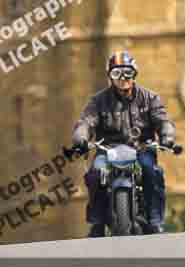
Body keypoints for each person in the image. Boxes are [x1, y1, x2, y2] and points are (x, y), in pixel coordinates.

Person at [72, 51, 176, 237]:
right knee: (95, 174)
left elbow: (162, 120)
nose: (123, 78)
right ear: (110, 76)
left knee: (152, 171)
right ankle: (97, 222)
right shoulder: (98, 101)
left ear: (134, 74)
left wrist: (167, 136)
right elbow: (86, 122)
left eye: (127, 73)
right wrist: (81, 138)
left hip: (141, 148)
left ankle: (155, 220)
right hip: (108, 150)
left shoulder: (150, 98)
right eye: (117, 73)